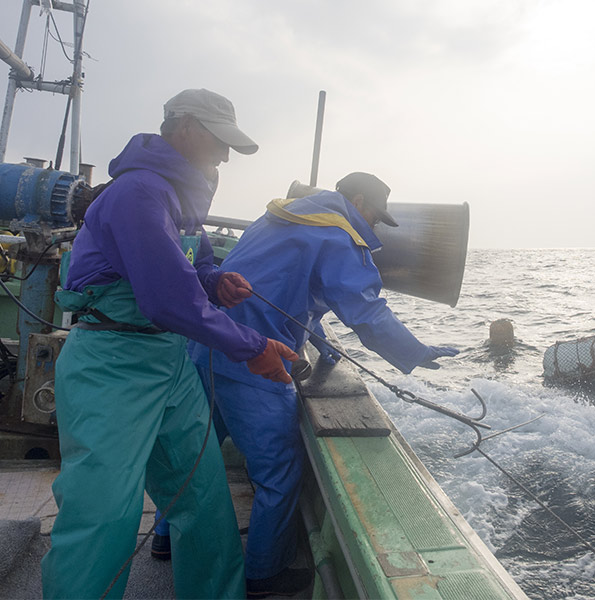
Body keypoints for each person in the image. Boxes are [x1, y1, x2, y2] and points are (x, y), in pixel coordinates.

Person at [40, 88, 299, 599]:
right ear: (183, 127)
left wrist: (214, 282)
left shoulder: (179, 196)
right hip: (111, 367)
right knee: (103, 514)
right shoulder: (138, 192)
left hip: (169, 365)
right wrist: (253, 348)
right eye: (218, 141)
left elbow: (193, 268)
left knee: (202, 501)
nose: (224, 155)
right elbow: (166, 299)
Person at [186, 171, 459, 598]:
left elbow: (286, 283)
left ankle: (165, 540)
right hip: (256, 359)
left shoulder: (280, 215)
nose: (373, 222)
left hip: (206, 345)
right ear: (356, 198)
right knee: (279, 470)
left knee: (194, 456)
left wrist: (317, 337)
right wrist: (415, 351)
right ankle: (263, 575)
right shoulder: (337, 233)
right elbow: (365, 311)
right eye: (373, 211)